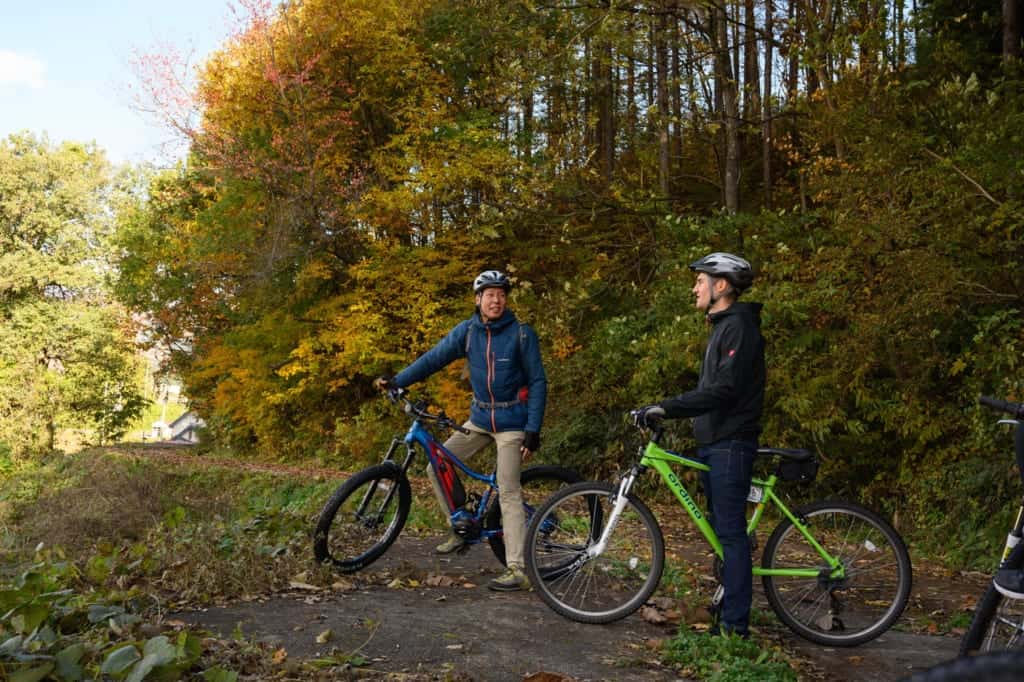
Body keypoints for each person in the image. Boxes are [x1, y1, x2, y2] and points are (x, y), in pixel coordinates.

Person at [374, 269, 546, 592]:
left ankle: (518, 569)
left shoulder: (522, 335)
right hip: (479, 420)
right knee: (437, 464)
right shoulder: (468, 332)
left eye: (501, 295)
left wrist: (532, 428)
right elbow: (433, 359)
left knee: (508, 490)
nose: (496, 300)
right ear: (478, 299)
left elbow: (537, 382)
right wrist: (398, 380)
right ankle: (461, 526)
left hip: (512, 423)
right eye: (489, 294)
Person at [634, 252, 765, 637]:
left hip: (730, 443)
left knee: (730, 534)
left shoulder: (739, 327)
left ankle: (735, 628)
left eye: (700, 281)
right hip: (715, 441)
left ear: (720, 286)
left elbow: (723, 390)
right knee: (722, 533)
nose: (694, 287)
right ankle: (727, 607)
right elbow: (711, 389)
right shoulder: (723, 326)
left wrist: (668, 407)